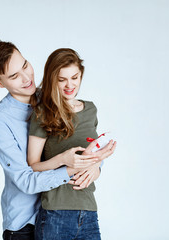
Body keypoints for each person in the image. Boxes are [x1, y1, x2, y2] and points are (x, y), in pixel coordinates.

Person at [0, 40, 115, 240]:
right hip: (25, 223)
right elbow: (25, 180)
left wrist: (96, 166)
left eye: (25, 65)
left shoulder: (53, 98)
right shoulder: (0, 120)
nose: (27, 78)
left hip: (66, 213)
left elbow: (82, 140)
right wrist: (67, 164)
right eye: (14, 76)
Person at [28, 48, 117, 240]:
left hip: (89, 211)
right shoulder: (43, 112)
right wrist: (62, 159)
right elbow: (33, 167)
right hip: (55, 215)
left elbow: (91, 154)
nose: (70, 85)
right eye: (62, 80)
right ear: (52, 80)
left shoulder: (90, 109)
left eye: (75, 77)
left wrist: (97, 167)